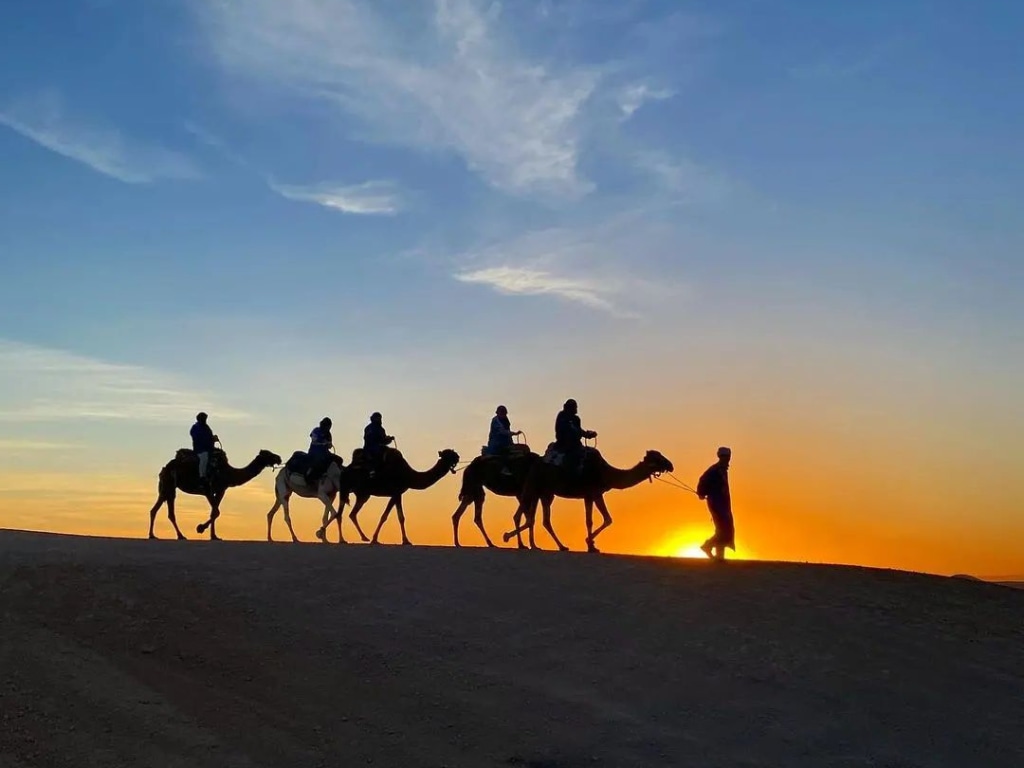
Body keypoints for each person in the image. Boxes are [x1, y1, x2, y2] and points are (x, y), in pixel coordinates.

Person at [697, 446, 735, 561]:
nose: (727, 459)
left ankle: (719, 557)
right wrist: (701, 492)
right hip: (717, 504)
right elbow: (703, 481)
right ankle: (707, 546)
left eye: (728, 457)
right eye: (725, 456)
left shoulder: (721, 470)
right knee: (723, 529)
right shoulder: (715, 470)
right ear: (720, 457)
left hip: (723, 504)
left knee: (725, 529)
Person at [554, 398, 596, 474]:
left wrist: (588, 434)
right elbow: (564, 430)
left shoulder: (576, 419)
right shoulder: (562, 417)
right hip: (565, 445)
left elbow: (579, 430)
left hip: (576, 445)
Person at [190, 412, 219, 486]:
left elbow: (208, 436)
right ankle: (202, 476)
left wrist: (213, 438)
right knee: (204, 458)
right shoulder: (196, 428)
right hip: (200, 449)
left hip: (208, 448)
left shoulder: (206, 427)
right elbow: (199, 438)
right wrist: (211, 439)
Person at [305, 417, 333, 487]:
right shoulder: (316, 430)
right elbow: (314, 440)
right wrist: (323, 443)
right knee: (317, 463)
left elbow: (329, 445)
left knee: (337, 460)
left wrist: (329, 444)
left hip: (325, 452)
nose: (328, 428)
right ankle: (309, 477)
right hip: (315, 452)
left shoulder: (328, 434)